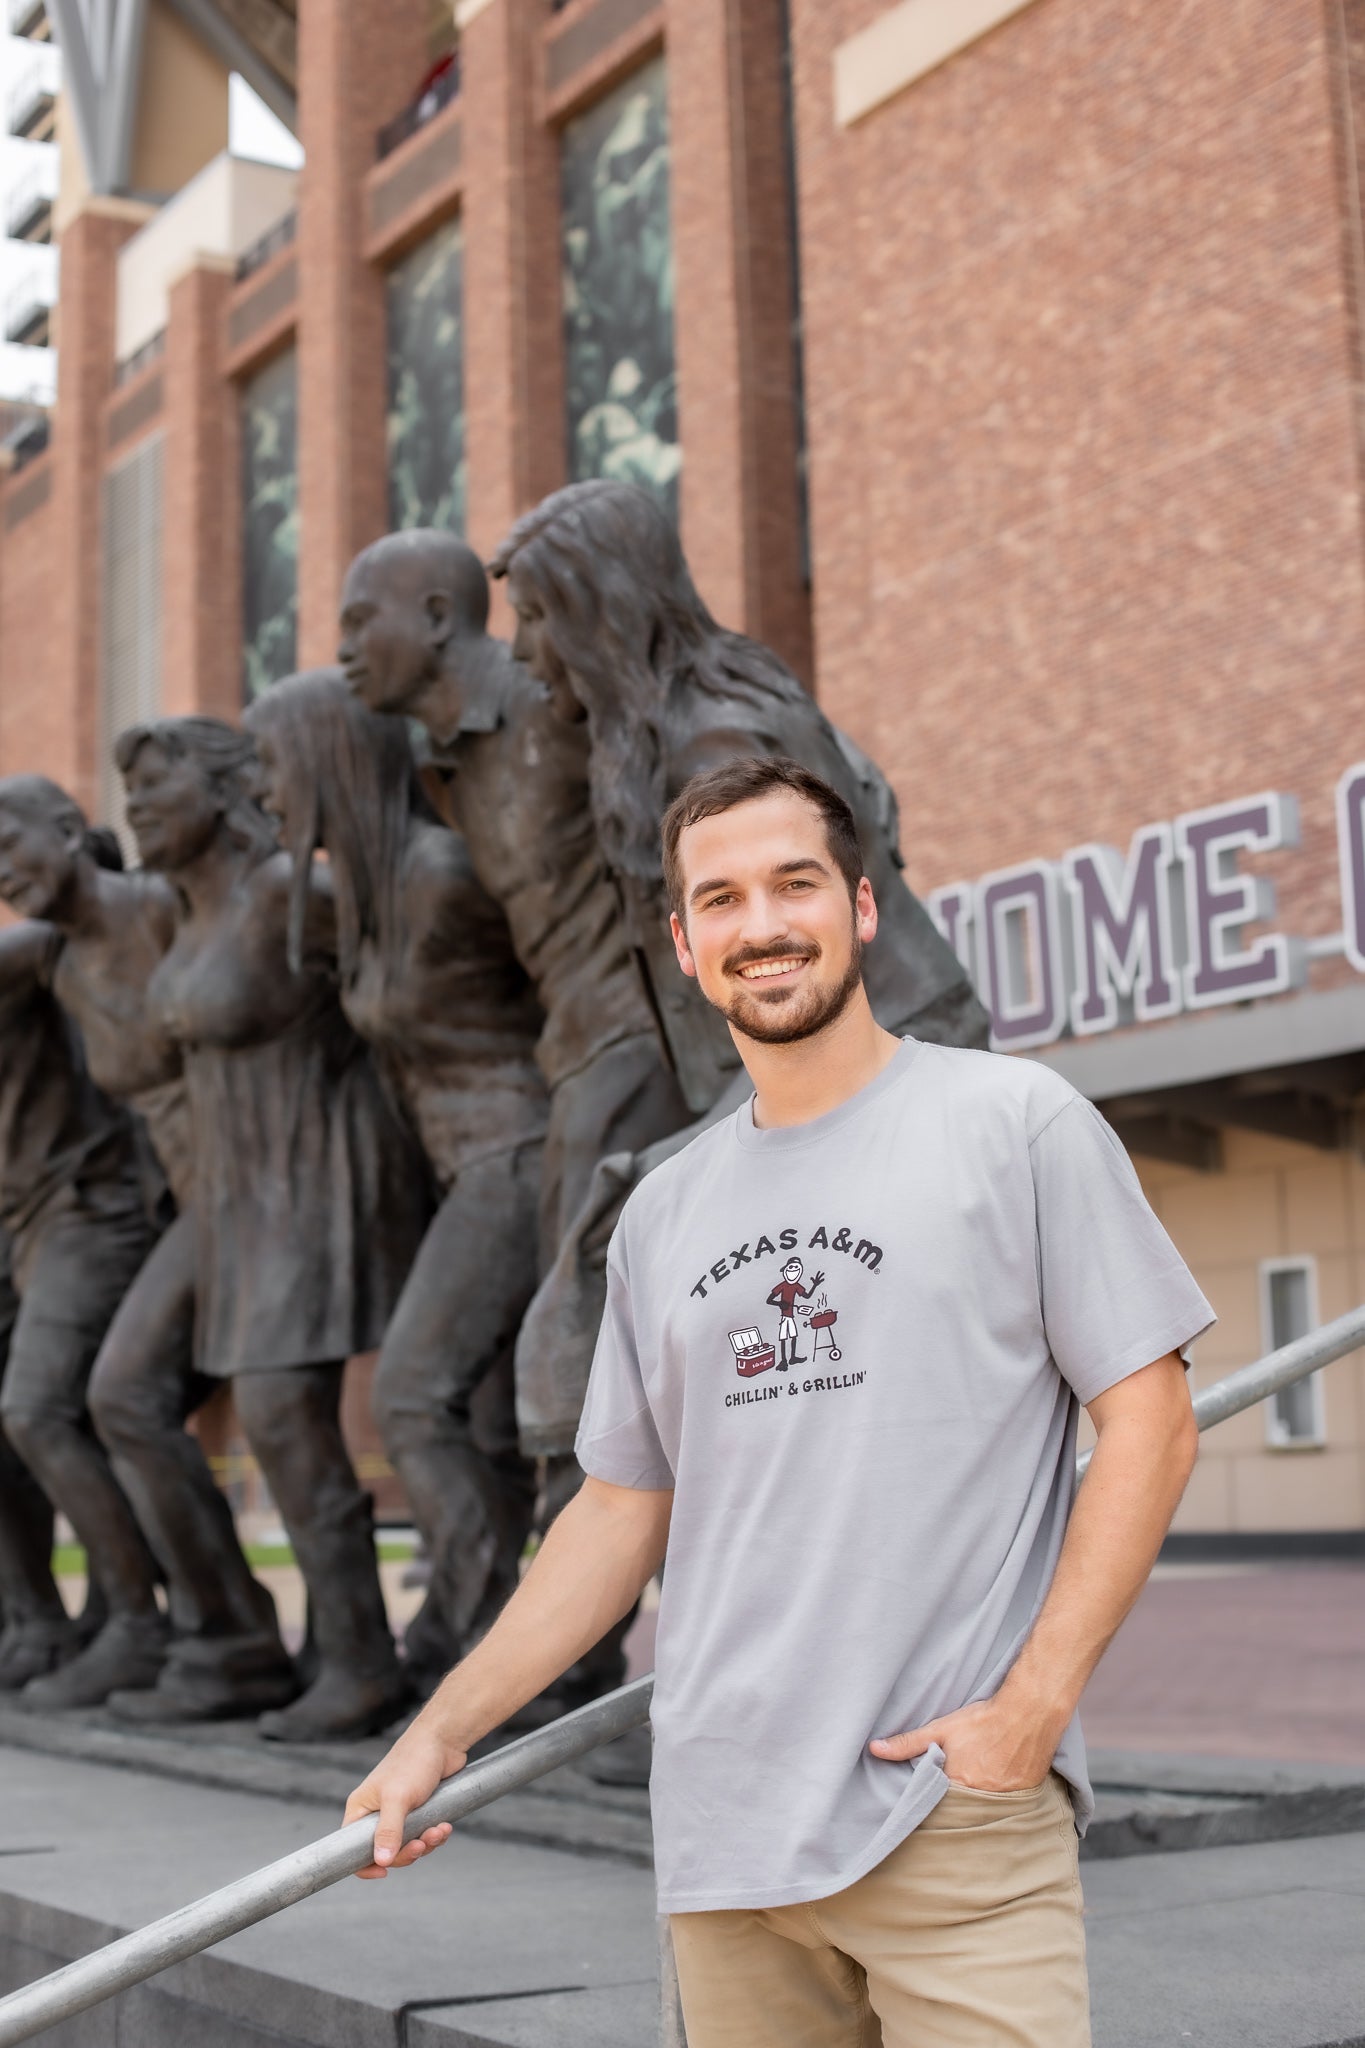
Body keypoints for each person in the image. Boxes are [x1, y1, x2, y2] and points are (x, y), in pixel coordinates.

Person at [343, 756, 1209, 2048]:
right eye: (723, 899)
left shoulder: (1014, 1123)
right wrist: (440, 1731)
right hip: (727, 1845)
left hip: (948, 1817)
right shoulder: (662, 1214)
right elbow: (615, 1517)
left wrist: (1033, 1707)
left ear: (860, 907)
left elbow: (1152, 1420)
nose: (762, 924)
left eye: (795, 884)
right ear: (685, 944)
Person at [487, 477, 989, 1460]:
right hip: (806, 1059)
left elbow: (801, 950)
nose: (521, 652)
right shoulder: (690, 717)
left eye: (537, 618)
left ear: (600, 611)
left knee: (623, 1222)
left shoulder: (714, 743)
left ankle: (602, 1484)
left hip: (878, 1042)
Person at [115, 715, 431, 1742]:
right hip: (225, 1193)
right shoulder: (180, 911)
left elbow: (419, 973)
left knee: (281, 1415)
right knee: (123, 1389)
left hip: (310, 1175)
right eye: (130, 794)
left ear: (223, 790)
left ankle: (360, 1660)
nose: (136, 810)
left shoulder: (298, 893)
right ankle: (233, 1637)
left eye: (156, 787)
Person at [245, 671, 548, 1691]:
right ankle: (487, 1639)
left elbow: (560, 994)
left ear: (329, 759)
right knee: (486, 1423)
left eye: (273, 766)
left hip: (519, 1155)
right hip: (462, 1175)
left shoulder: (443, 874)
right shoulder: (362, 897)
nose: (263, 791)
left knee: (412, 1396)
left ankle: (496, 1648)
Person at [0, 774, 296, 1719]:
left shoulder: (128, 921)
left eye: (10, 843)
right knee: (87, 1406)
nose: (3, 871)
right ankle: (107, 1621)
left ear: (66, 829)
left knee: (61, 1404)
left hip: (158, 1204)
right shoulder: (56, 952)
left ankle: (165, 1625)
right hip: (111, 1214)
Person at [0, 910, 163, 1700]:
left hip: (89, 1210)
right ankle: (37, 1620)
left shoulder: (27, 950)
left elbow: (72, 929)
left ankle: (138, 1623)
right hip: (26, 1224)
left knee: (37, 1409)